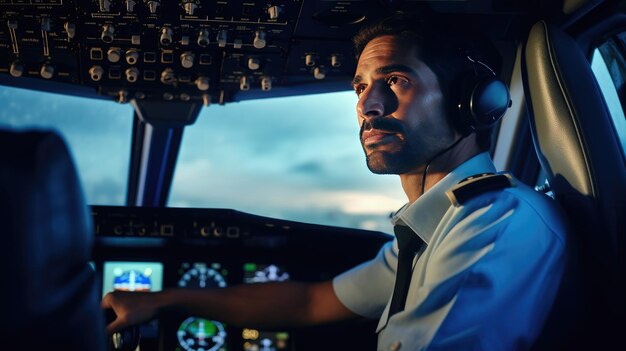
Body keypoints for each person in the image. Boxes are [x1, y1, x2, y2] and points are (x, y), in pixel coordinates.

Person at [102, 12, 568, 350]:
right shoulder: (432, 230)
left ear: (472, 104)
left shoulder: (494, 222)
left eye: (397, 80)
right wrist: (160, 300)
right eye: (361, 87)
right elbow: (307, 302)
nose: (368, 108)